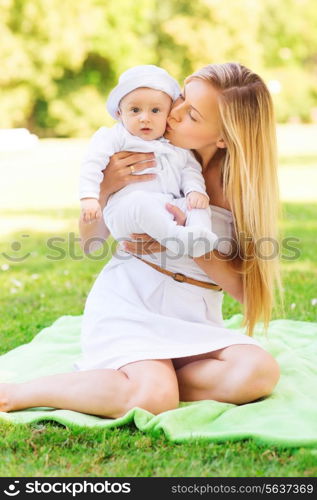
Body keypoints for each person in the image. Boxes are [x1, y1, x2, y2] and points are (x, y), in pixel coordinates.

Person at [0, 63, 281, 419]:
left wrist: (183, 243)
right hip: (130, 302)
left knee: (259, 373)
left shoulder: (239, 187)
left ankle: (153, 377)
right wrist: (104, 191)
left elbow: (248, 292)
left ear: (224, 137)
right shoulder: (142, 153)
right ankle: (14, 393)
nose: (173, 114)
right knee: (152, 397)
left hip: (193, 315)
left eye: (191, 114)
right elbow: (90, 245)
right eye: (181, 98)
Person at [80, 64, 218, 258]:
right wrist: (89, 197)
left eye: (155, 111)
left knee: (197, 205)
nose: (145, 118)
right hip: (125, 210)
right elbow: (92, 164)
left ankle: (199, 236)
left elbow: (189, 169)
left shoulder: (174, 144)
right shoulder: (116, 137)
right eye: (135, 110)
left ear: (167, 113)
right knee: (139, 202)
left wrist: (195, 191)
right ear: (120, 113)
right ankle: (176, 238)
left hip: (166, 207)